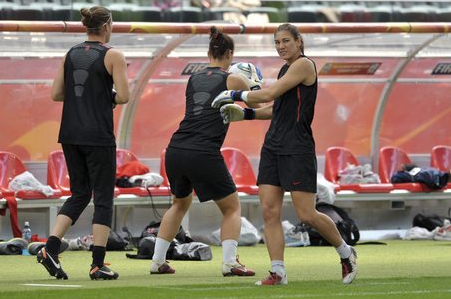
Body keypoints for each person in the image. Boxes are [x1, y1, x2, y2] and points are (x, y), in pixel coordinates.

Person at [211, 23, 358, 285]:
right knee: (269, 211)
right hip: (273, 146)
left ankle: (346, 253)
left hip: (297, 146)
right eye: (277, 42)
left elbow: (269, 93)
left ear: (299, 41)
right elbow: (275, 108)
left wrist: (234, 93)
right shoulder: (285, 68)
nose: (281, 46)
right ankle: (278, 272)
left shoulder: (304, 65)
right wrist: (246, 114)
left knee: (307, 214)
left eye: (286, 41)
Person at [149, 26, 258, 277]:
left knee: (179, 204)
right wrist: (253, 85)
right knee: (231, 207)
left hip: (176, 148)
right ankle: (230, 263)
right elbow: (260, 102)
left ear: (209, 52)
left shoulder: (194, 77)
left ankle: (157, 261)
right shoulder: (232, 78)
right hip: (203, 151)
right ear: (229, 53)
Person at [37, 6, 130, 281]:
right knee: (103, 197)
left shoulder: (70, 54)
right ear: (108, 25)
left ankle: (50, 248)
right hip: (98, 135)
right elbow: (124, 96)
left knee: (79, 193)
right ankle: (97, 264)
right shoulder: (113, 55)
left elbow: (56, 94)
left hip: (70, 133)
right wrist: (105, 96)